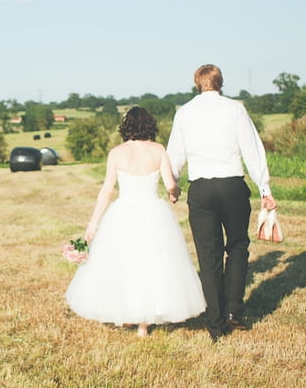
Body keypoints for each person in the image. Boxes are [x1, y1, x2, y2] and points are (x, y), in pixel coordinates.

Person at [65, 107, 206, 337]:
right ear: (149, 125)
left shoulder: (117, 153)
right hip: (153, 211)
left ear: (126, 126)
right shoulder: (158, 150)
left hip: (123, 212)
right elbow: (170, 184)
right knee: (151, 263)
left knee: (124, 262)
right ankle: (142, 324)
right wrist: (174, 193)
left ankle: (127, 315)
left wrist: (93, 222)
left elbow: (106, 191)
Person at [167, 64, 277, 342]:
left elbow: (174, 155)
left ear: (197, 83)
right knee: (238, 246)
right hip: (232, 185)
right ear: (220, 82)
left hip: (201, 188)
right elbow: (252, 149)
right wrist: (264, 187)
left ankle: (215, 323)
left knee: (208, 254)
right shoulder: (235, 109)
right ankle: (234, 312)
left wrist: (173, 185)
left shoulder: (184, 112)